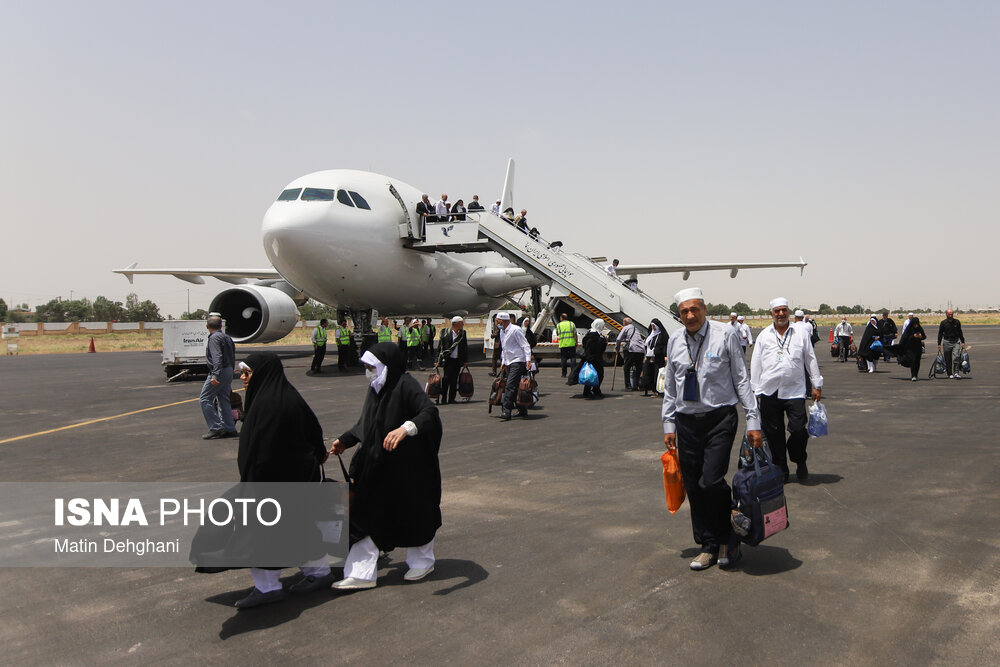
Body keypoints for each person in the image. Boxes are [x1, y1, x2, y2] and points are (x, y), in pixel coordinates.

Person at [662, 287, 761, 571]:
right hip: (686, 421)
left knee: (710, 481)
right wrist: (668, 424)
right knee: (693, 485)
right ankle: (707, 545)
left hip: (720, 418)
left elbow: (742, 379)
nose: (690, 315)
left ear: (705, 309)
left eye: (695, 309)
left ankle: (727, 538)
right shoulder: (675, 340)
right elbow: (670, 387)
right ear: (679, 314)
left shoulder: (725, 334)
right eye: (684, 311)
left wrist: (753, 421)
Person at [329, 344, 442, 590]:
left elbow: (429, 412)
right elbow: (366, 424)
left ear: (386, 366)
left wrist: (406, 428)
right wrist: (345, 441)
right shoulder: (376, 389)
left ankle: (422, 562)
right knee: (366, 515)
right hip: (377, 468)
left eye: (372, 367)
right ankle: (362, 573)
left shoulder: (405, 384)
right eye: (367, 368)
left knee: (415, 515)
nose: (368, 373)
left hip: (408, 469)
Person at [230, 353, 332, 607]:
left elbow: (261, 452)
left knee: (260, 534)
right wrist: (318, 456)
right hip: (297, 479)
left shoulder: (267, 405)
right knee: (301, 528)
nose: (242, 378)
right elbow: (314, 431)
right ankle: (318, 573)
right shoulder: (288, 396)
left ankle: (267, 587)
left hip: (270, 483)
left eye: (247, 373)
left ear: (261, 373)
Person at [751, 298, 823, 483]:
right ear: (771, 314)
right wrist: (753, 390)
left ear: (788, 311)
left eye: (784, 310)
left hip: (795, 391)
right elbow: (756, 364)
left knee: (798, 430)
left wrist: (817, 384)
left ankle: (799, 460)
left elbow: (810, 358)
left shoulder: (800, 333)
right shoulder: (764, 336)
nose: (781, 314)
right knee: (774, 434)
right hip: (769, 392)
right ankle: (780, 467)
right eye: (777, 311)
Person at [200, 314, 237, 439]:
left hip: (219, 371)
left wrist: (215, 375)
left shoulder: (214, 338)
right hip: (228, 369)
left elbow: (217, 357)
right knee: (223, 398)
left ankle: (216, 427)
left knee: (205, 399)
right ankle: (229, 427)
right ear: (221, 326)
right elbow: (232, 355)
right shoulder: (226, 337)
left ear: (207, 326)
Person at [496, 312, 532, 420]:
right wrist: (503, 362)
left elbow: (525, 345)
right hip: (508, 362)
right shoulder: (502, 331)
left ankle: (506, 411)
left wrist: (528, 360)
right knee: (516, 387)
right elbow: (505, 348)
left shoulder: (515, 330)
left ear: (504, 320)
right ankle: (522, 410)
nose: (497, 323)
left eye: (498, 321)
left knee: (510, 386)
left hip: (518, 361)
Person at [436, 316, 468, 404]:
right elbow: (440, 347)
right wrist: (437, 360)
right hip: (448, 360)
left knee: (454, 380)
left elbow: (464, 347)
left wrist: (465, 361)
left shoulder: (463, 333)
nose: (463, 324)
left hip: (457, 360)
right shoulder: (445, 333)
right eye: (461, 323)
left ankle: (451, 399)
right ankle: (443, 399)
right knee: (446, 379)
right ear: (456, 324)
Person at [576, 319, 608, 398]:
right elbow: (598, 348)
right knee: (599, 375)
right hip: (595, 359)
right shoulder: (595, 336)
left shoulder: (589, 334)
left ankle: (587, 391)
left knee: (590, 375)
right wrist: (604, 341)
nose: (603, 327)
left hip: (589, 358)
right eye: (602, 325)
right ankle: (596, 390)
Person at [891, 316, 926, 381]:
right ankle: (913, 376)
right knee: (913, 361)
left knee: (917, 361)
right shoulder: (909, 329)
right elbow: (905, 338)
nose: (916, 325)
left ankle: (916, 374)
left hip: (918, 348)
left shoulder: (920, 328)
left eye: (917, 324)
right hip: (910, 348)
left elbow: (924, 336)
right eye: (915, 324)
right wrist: (913, 336)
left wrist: (920, 336)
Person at [640, 318, 668, 397]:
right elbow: (647, 345)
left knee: (657, 374)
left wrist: (665, 355)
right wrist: (646, 355)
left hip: (658, 358)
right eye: (652, 326)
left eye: (654, 326)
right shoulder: (650, 336)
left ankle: (658, 391)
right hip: (649, 357)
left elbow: (665, 345)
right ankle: (648, 388)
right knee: (648, 373)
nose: (653, 328)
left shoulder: (662, 335)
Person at [616, 317, 645, 391]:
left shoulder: (626, 328)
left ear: (625, 323)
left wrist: (618, 347)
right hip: (641, 350)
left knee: (627, 367)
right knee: (639, 368)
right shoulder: (636, 329)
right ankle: (638, 385)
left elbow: (618, 339)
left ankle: (628, 386)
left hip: (632, 350)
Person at [937, 309, 966, 378]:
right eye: (949, 314)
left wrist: (963, 341)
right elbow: (940, 333)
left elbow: (960, 332)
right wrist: (939, 343)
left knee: (956, 357)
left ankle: (956, 372)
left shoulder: (957, 322)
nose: (950, 315)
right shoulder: (943, 323)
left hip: (956, 341)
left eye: (952, 314)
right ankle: (949, 373)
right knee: (948, 359)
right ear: (946, 314)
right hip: (947, 342)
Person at [555, 312, 577, 378]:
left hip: (563, 344)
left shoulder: (558, 325)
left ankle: (564, 374)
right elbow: (575, 334)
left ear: (561, 318)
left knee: (563, 359)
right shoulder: (571, 324)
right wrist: (576, 342)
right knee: (573, 358)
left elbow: (557, 334)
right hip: (571, 343)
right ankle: (573, 373)